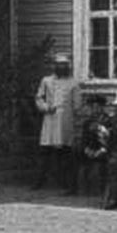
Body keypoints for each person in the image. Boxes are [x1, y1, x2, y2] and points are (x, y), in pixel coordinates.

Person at [34, 53, 81, 192]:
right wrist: (45, 107)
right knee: (45, 152)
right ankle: (39, 181)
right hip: (49, 120)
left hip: (65, 122)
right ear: (55, 66)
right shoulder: (46, 81)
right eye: (59, 65)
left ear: (68, 66)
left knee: (65, 153)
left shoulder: (73, 83)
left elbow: (77, 105)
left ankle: (66, 184)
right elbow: (39, 98)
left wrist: (71, 114)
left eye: (64, 65)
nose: (61, 67)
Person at [77, 93, 111, 198]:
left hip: (104, 150)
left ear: (103, 107)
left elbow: (110, 140)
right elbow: (84, 139)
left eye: (98, 107)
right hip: (90, 150)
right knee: (78, 155)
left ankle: (101, 190)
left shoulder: (108, 121)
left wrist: (100, 151)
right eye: (93, 107)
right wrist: (86, 149)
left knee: (102, 164)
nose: (95, 109)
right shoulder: (87, 122)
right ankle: (80, 189)